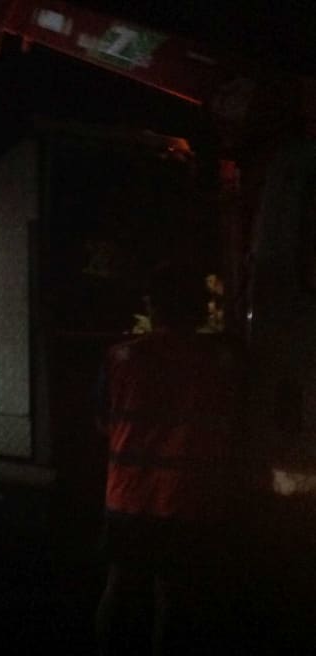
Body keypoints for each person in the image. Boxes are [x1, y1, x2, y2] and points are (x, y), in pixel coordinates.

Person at [94, 263, 244, 655]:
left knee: (118, 589)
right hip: (186, 500)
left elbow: (101, 422)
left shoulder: (120, 357)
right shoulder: (221, 360)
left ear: (154, 306)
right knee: (172, 598)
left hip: (126, 497)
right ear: (199, 308)